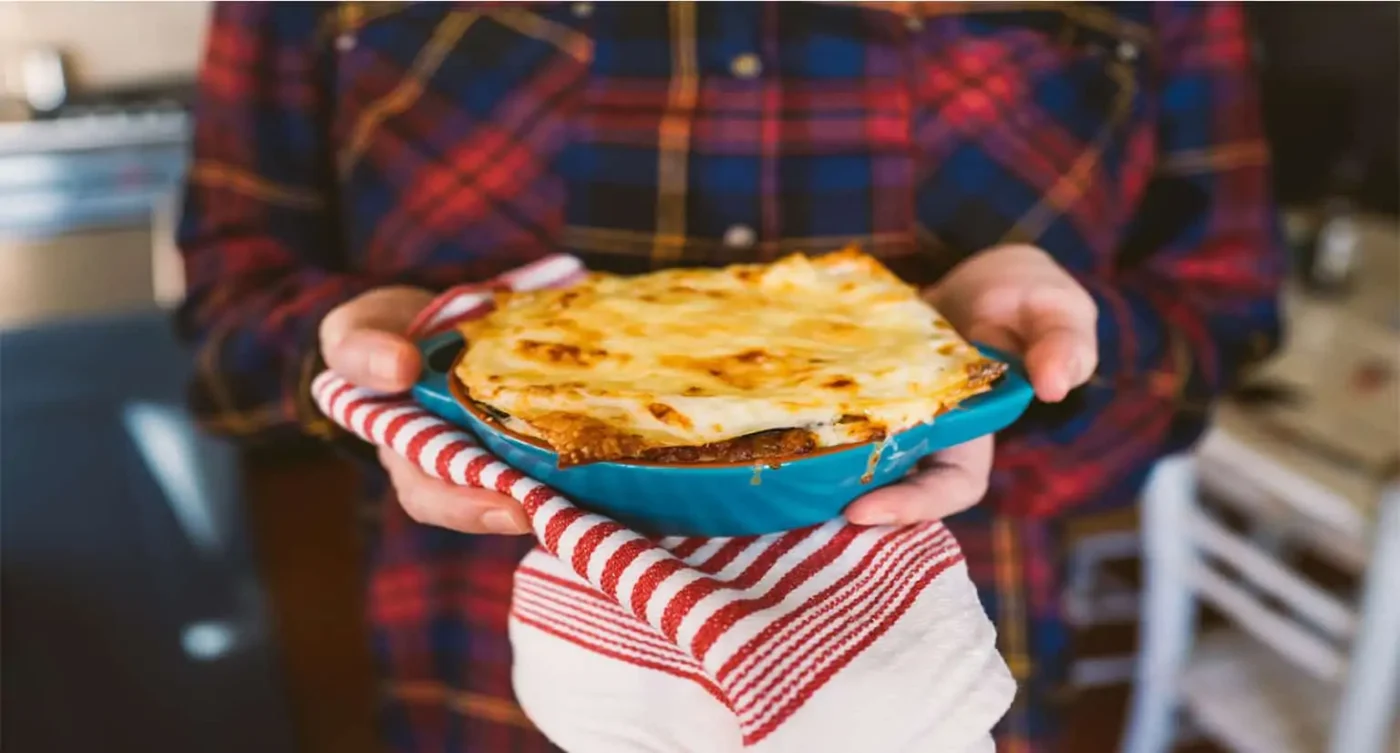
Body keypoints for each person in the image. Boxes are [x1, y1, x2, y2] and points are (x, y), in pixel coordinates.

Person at [177, 2, 1283, 750]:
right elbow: (233, 316)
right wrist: (362, 364)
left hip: (928, 673)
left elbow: (1220, 303)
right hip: (493, 681)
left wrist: (1038, 366)